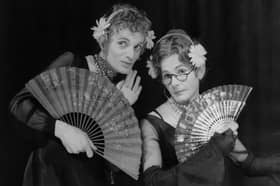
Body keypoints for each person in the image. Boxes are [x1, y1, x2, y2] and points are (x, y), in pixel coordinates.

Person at [9, 4, 155, 186]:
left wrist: (119, 108)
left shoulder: (122, 90)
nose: (130, 54)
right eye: (123, 43)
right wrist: (61, 129)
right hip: (52, 172)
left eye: (137, 47)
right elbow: (19, 103)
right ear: (104, 40)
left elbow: (113, 164)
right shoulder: (72, 63)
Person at [141, 29, 280, 186]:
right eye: (167, 76)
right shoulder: (152, 123)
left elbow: (251, 165)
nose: (174, 83)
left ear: (199, 71)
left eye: (181, 71)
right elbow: (153, 181)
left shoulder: (213, 113)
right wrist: (215, 149)